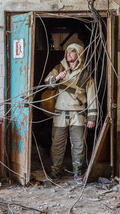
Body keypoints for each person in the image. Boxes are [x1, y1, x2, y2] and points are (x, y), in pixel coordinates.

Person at [44, 43, 97, 184]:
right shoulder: (59, 68)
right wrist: (57, 78)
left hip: (78, 114)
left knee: (79, 144)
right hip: (60, 113)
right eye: (68, 52)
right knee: (57, 144)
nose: (69, 54)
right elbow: (47, 83)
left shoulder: (85, 73)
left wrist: (92, 117)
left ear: (79, 55)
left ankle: (78, 173)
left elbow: (92, 97)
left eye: (72, 52)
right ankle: (55, 172)